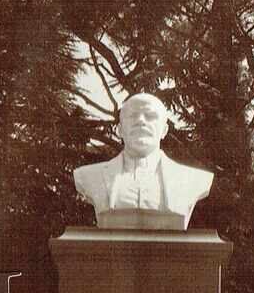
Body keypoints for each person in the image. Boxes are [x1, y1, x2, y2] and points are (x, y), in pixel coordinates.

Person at [73, 93, 214, 229]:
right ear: (120, 130)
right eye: (133, 115)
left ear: (164, 130)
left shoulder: (193, 179)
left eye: (150, 116)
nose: (141, 121)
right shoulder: (88, 176)